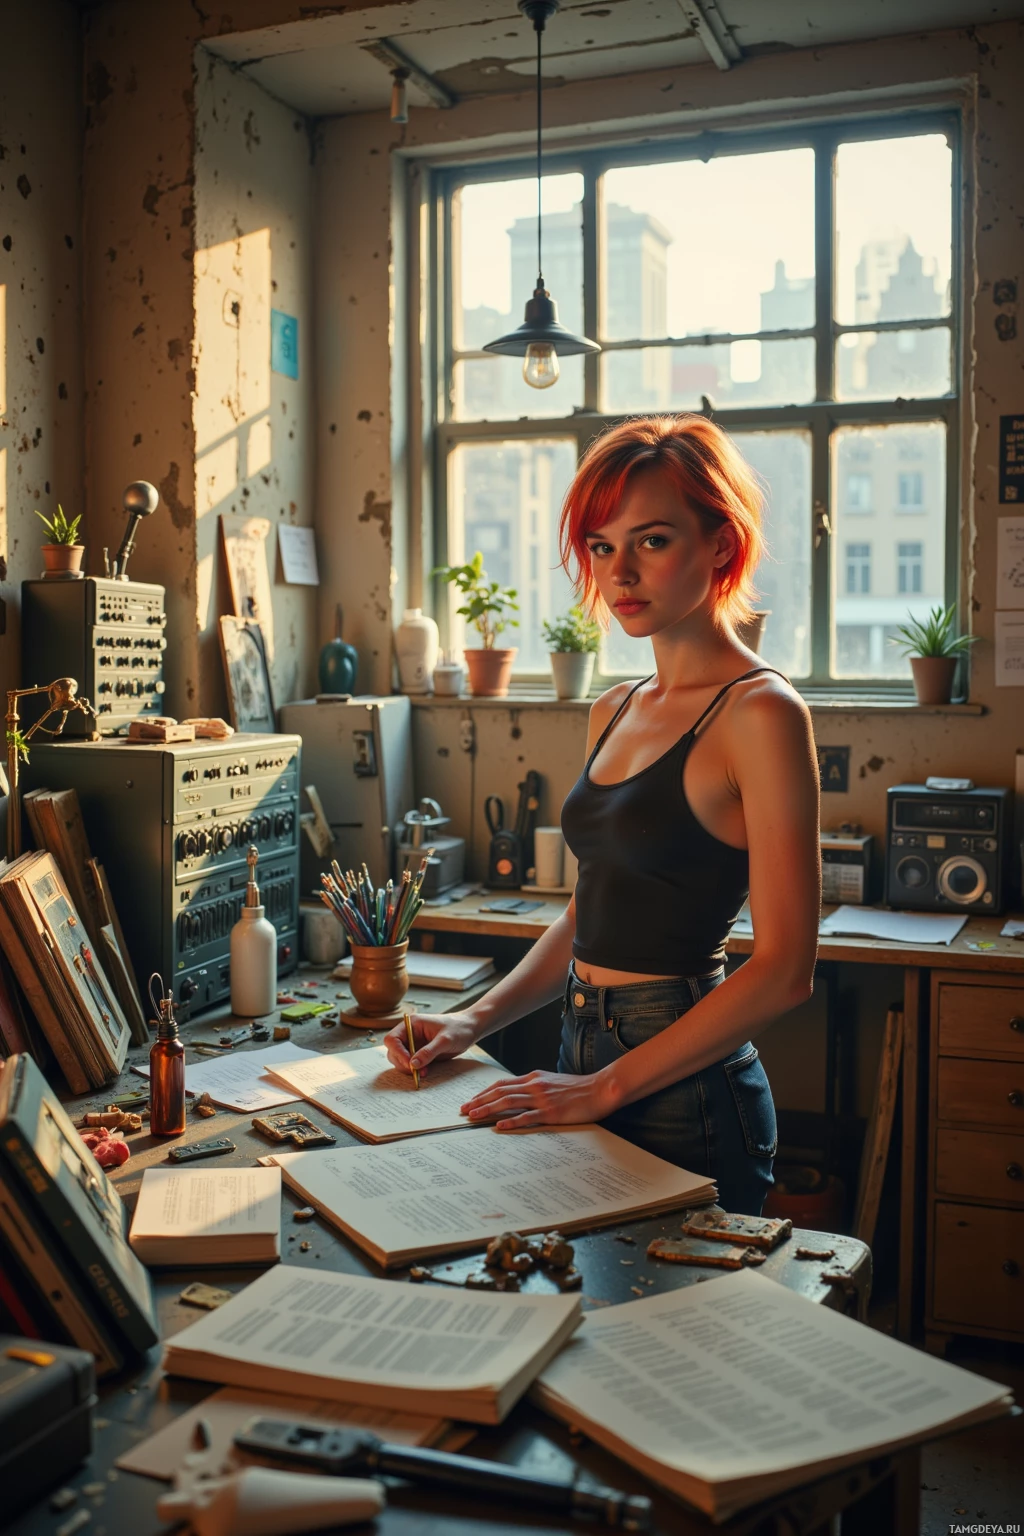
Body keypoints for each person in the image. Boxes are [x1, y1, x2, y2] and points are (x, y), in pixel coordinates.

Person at [385, 415, 820, 1215]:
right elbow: (595, 910)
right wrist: (470, 1021)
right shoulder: (613, 707)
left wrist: (604, 1085)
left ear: (721, 543)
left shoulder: (761, 713)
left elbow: (787, 971)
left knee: (683, 1328)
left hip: (683, 1086)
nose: (621, 572)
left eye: (652, 540)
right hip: (578, 1048)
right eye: (601, 546)